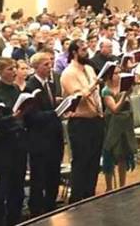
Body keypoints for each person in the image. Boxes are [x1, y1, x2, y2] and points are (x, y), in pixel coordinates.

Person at [60, 39, 105, 203]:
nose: (87, 52)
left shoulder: (89, 68)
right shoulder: (68, 73)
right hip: (80, 122)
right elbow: (79, 96)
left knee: (94, 160)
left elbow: (96, 94)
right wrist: (94, 84)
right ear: (74, 52)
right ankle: (77, 199)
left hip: (96, 120)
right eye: (83, 50)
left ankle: (89, 194)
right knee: (81, 161)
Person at [23, 52, 64, 217]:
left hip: (54, 136)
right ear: (36, 67)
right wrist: (55, 112)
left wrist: (60, 105)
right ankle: (37, 212)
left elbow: (50, 107)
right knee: (39, 177)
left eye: (50, 63)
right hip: (39, 140)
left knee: (54, 175)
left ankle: (51, 206)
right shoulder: (30, 87)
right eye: (46, 64)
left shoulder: (50, 85)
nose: (50, 67)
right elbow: (31, 117)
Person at [0, 58, 26, 226]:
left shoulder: (16, 88)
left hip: (18, 140)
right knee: (3, 184)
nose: (13, 72)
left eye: (14, 68)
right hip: (4, 142)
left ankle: (15, 219)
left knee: (18, 184)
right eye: (10, 69)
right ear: (0, 71)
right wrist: (13, 117)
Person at [101, 66, 137, 191]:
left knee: (123, 154)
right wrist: (124, 95)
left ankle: (122, 186)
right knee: (110, 154)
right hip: (112, 125)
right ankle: (109, 188)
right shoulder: (106, 91)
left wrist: (128, 92)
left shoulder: (122, 87)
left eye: (119, 73)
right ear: (109, 76)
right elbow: (115, 109)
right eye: (115, 73)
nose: (118, 75)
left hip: (124, 125)